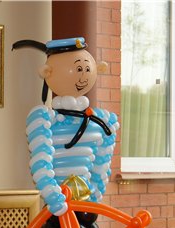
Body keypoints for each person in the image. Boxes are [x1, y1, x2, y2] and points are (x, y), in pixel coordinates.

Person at [13, 37, 119, 216]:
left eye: (87, 69)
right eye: (78, 69)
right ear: (47, 72)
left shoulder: (103, 120)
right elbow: (41, 163)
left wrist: (94, 198)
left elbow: (102, 162)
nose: (83, 76)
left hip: (85, 203)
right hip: (60, 205)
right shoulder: (43, 118)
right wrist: (55, 199)